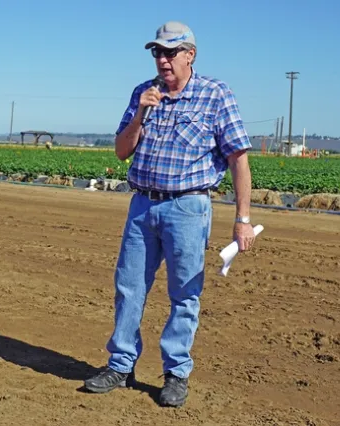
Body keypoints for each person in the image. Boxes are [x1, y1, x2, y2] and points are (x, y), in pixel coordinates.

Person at [83, 21, 255, 407]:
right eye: (157, 52)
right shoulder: (143, 93)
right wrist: (140, 114)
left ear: (190, 55)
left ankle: (176, 373)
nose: (162, 59)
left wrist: (242, 219)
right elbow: (121, 151)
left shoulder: (215, 95)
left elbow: (239, 158)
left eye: (170, 52)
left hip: (189, 207)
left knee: (184, 294)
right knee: (129, 287)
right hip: (143, 204)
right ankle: (121, 364)